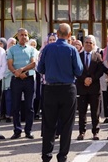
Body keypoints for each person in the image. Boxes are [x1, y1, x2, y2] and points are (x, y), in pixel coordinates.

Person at [38, 23, 82, 162]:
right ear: (69, 35)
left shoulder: (47, 48)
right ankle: (62, 156)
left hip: (50, 89)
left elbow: (40, 69)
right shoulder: (72, 49)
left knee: (49, 124)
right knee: (67, 124)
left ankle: (46, 156)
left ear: (57, 33)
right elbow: (79, 71)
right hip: (68, 89)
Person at [8, 28, 38, 139]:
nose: (24, 37)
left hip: (28, 79)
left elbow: (33, 63)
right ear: (17, 36)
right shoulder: (12, 49)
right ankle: (17, 130)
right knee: (15, 106)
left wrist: (22, 70)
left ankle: (28, 131)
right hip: (16, 79)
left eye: (25, 35)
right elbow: (10, 65)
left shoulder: (32, 49)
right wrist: (17, 73)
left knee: (29, 106)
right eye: (21, 35)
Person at [76, 35, 104, 141]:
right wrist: (84, 79)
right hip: (82, 88)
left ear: (94, 45)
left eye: (90, 43)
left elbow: (100, 71)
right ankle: (81, 132)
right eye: (86, 42)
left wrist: (91, 79)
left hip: (94, 88)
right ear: (83, 44)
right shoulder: (78, 56)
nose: (88, 44)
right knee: (82, 112)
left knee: (95, 112)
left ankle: (95, 132)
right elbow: (76, 70)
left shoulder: (97, 56)